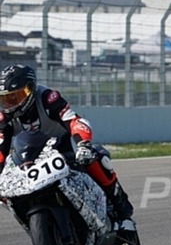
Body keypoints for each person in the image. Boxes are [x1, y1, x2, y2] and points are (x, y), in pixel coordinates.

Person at [0, 64, 133, 219]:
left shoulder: (47, 98)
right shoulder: (4, 117)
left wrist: (83, 145)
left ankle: (119, 204)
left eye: (16, 96)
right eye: (5, 99)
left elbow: (74, 121)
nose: (10, 104)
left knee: (96, 157)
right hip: (28, 156)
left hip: (60, 148)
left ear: (31, 88)